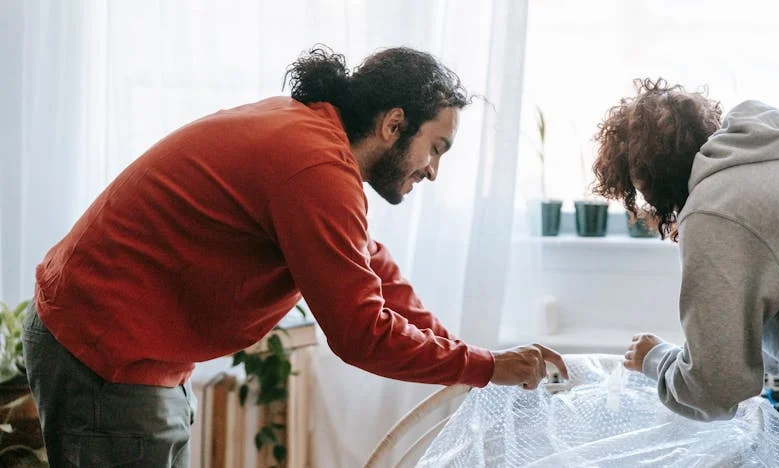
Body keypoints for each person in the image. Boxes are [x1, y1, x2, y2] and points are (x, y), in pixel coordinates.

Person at [22, 45, 568, 466]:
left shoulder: (313, 140)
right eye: (437, 148)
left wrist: (465, 354)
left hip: (123, 347)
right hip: (103, 353)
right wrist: (484, 367)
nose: (433, 169)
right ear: (394, 124)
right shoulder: (315, 167)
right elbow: (361, 333)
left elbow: (367, 260)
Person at [592, 77, 779, 421]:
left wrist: (654, 358)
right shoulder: (768, 151)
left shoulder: (716, 210)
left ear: (647, 181)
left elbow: (712, 391)